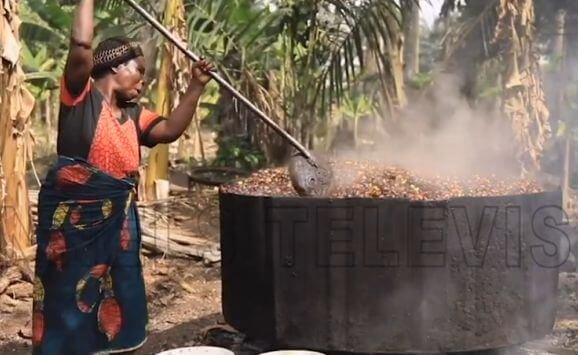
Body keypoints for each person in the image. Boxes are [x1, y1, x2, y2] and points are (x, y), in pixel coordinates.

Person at [32, 0, 214, 353]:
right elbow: (82, 47)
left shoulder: (134, 115)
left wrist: (195, 87)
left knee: (121, 291)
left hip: (119, 225)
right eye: (138, 71)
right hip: (75, 226)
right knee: (69, 296)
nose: (142, 81)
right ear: (115, 67)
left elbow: (170, 130)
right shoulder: (80, 99)